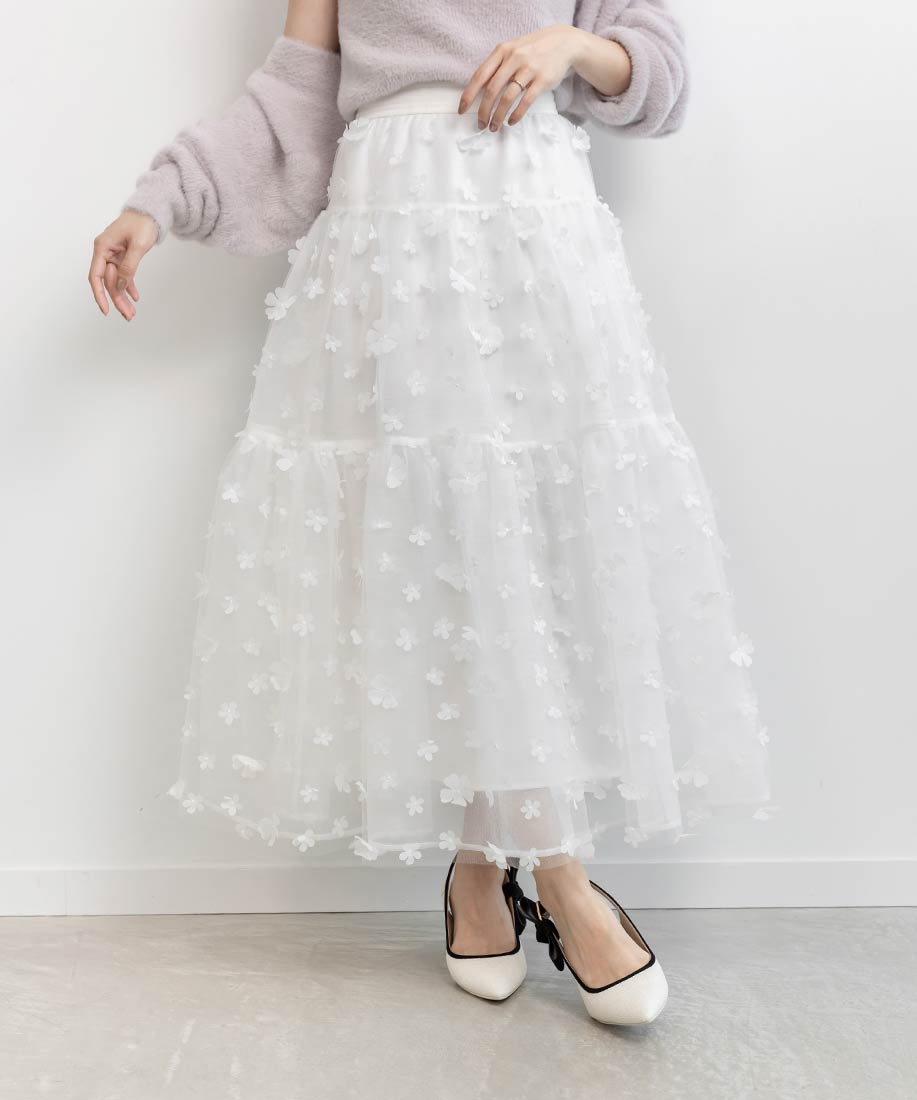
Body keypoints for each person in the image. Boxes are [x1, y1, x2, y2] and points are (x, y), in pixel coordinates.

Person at [89, 0, 772, 1027]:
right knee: (445, 558)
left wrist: (571, 48)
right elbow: (291, 105)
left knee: (531, 554)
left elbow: (659, 74)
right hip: (392, 237)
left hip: (533, 223)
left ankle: (482, 868)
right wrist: (160, 202)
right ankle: (559, 876)